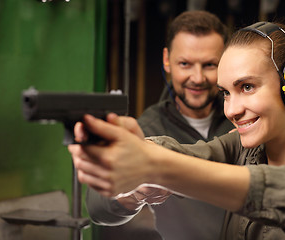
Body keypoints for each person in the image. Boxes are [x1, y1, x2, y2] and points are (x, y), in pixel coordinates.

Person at [68, 21, 285, 240]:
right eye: (226, 93)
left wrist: (160, 166)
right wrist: (131, 173)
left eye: (247, 87)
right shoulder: (239, 150)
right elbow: (99, 205)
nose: (231, 110)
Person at [91, 10, 234, 240]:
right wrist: (133, 194)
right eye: (185, 64)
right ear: (167, 60)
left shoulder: (243, 119)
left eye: (209, 64)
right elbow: (98, 207)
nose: (197, 78)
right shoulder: (148, 130)